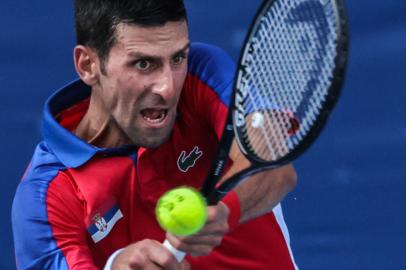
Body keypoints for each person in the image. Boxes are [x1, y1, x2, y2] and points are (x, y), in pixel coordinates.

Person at [12, 0, 298, 269]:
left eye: (177, 58)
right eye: (143, 64)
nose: (168, 87)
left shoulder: (202, 75)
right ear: (88, 65)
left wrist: (226, 212)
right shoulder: (44, 198)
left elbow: (273, 166)